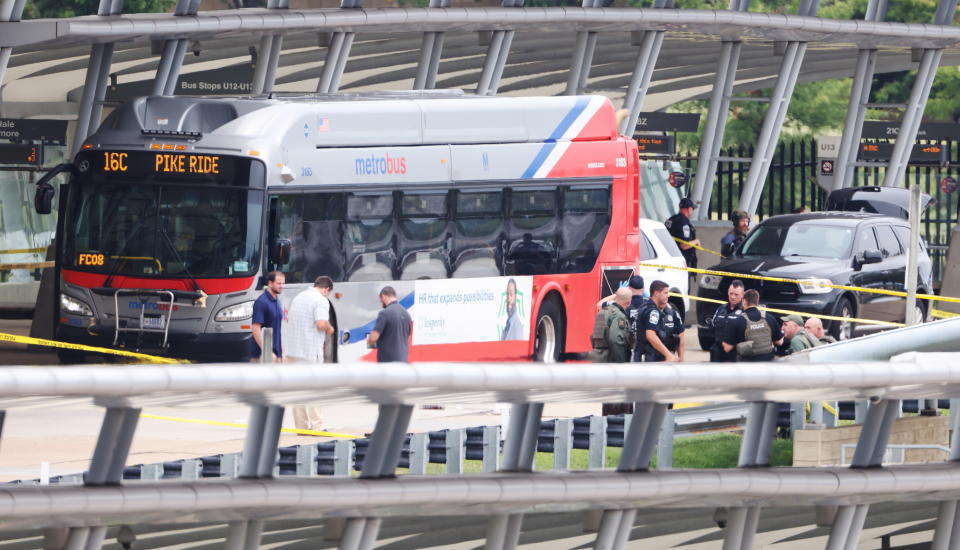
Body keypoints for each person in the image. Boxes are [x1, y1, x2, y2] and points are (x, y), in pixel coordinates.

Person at [285, 276, 336, 431]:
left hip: (293, 350)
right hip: (309, 351)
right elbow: (321, 323)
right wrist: (329, 328)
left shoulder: (299, 297)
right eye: (328, 293)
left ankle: (302, 426)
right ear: (326, 289)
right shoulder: (321, 300)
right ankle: (318, 426)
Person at [721, 289, 783, 362]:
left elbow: (727, 348)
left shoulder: (737, 321)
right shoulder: (769, 318)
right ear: (757, 301)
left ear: (744, 301)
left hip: (748, 367)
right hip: (768, 365)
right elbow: (779, 342)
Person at [638, 280, 684, 362]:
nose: (668, 296)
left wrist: (681, 360)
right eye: (665, 293)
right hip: (652, 360)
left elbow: (681, 336)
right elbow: (650, 335)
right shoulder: (650, 311)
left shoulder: (672, 313)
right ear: (656, 293)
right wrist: (668, 355)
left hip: (666, 360)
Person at [367, 286, 413, 362]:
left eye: (380, 299)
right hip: (403, 361)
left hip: (388, 363)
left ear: (383, 296)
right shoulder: (406, 314)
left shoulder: (384, 313)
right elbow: (406, 338)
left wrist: (370, 340)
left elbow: (373, 339)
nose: (380, 301)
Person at [251, 271, 285, 362]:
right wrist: (267, 351)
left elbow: (277, 328)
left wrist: (282, 351)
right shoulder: (261, 302)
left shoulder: (277, 300)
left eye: (283, 283)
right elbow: (255, 328)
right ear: (270, 283)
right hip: (262, 355)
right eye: (278, 283)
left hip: (276, 354)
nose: (281, 286)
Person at [708, 280, 744, 363]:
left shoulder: (744, 312)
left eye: (736, 294)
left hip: (735, 354)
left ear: (742, 295)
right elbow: (712, 327)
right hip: (718, 352)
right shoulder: (721, 309)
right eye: (731, 293)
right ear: (728, 292)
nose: (733, 297)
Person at [665, 197, 700, 270]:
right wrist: (696, 241)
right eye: (692, 209)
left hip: (668, 258)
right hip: (682, 262)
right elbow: (684, 245)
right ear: (689, 209)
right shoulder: (684, 223)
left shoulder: (670, 220)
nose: (692, 211)